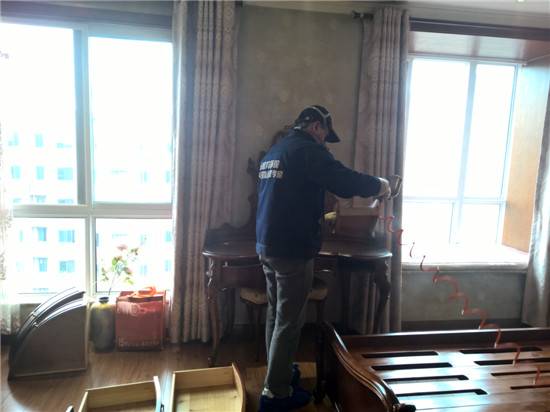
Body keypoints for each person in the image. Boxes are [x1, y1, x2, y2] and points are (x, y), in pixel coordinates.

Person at [256, 105, 391, 411]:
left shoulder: (276, 151)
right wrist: (379, 185)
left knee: (276, 314)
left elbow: (287, 197)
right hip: (292, 248)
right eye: (325, 135)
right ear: (316, 126)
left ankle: (279, 372)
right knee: (289, 321)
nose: (325, 143)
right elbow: (342, 181)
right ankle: (275, 394)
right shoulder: (307, 150)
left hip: (267, 245)